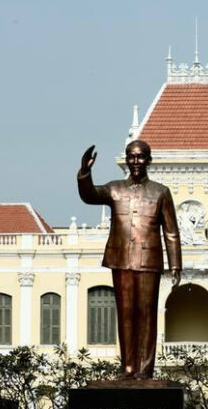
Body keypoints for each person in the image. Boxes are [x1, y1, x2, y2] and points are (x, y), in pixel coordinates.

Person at [78, 140, 182, 379]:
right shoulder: (114, 189)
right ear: (126, 160)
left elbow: (171, 231)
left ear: (149, 160)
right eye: (131, 157)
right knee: (125, 313)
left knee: (146, 313)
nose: (136, 161)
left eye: (141, 157)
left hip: (149, 260)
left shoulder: (161, 192)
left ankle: (145, 370)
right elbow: (90, 195)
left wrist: (175, 264)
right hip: (121, 258)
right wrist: (85, 172)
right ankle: (127, 368)